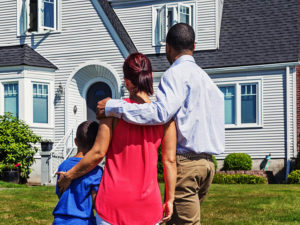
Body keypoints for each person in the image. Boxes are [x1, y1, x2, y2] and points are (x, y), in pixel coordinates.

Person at [96, 23, 225, 225]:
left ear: (167, 47)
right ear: (194, 46)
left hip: (187, 164)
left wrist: (115, 106)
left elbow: (160, 112)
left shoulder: (175, 74)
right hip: (207, 166)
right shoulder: (206, 80)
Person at [57, 53, 177, 225]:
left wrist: (69, 175)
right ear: (149, 78)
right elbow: (170, 161)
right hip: (148, 206)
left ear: (127, 82)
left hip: (112, 203)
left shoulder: (112, 111)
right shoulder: (165, 117)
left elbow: (98, 153)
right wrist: (170, 199)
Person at [53, 121, 103, 225]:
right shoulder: (96, 171)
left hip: (59, 220)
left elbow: (60, 192)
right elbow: (95, 203)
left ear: (75, 142)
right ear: (97, 144)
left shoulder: (63, 165)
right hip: (83, 221)